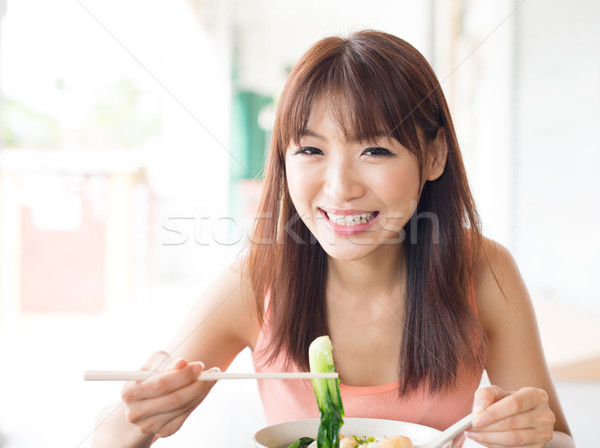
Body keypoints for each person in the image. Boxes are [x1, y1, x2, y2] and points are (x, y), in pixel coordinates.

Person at [92, 30, 573, 448]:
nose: (340, 187)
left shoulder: (483, 270)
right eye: (310, 149)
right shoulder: (256, 283)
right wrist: (143, 413)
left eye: (376, 149)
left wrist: (530, 432)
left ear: (434, 156)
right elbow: (107, 438)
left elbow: (558, 439)